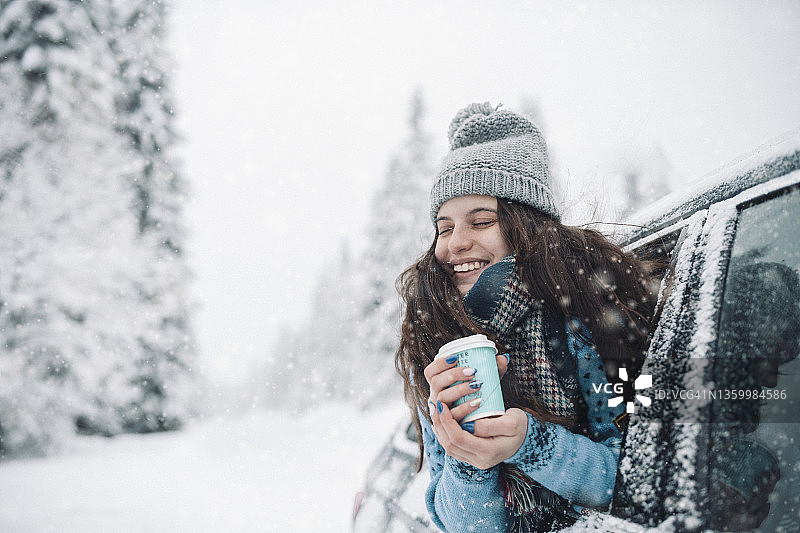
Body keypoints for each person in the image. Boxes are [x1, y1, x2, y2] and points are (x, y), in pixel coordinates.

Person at [394, 102, 661, 532]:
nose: (455, 243)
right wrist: (468, 458)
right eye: (444, 228)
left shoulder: (595, 315)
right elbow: (461, 525)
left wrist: (532, 444)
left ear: (527, 226)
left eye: (480, 222)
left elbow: (645, 481)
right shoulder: (438, 335)